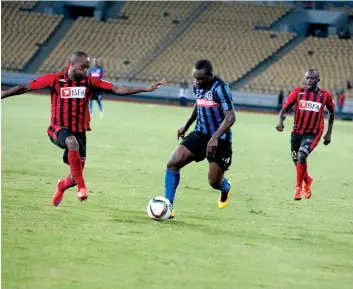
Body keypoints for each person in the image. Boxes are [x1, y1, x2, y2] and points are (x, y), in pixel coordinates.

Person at [1, 51, 166, 206]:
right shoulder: (55, 79)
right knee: (71, 143)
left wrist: (145, 88)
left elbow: (117, 89)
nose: (87, 70)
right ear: (72, 64)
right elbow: (24, 88)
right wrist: (2, 94)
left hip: (80, 132)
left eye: (88, 67)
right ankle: (83, 188)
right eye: (83, 67)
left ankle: (62, 187)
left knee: (74, 176)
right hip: (58, 128)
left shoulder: (89, 82)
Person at [164, 60, 236, 218]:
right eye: (194, 78)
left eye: (200, 79)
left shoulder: (221, 88)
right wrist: (186, 125)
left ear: (211, 76)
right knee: (173, 163)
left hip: (220, 139)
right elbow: (199, 104)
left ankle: (225, 188)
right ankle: (168, 206)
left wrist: (215, 138)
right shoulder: (197, 85)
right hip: (200, 133)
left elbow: (230, 118)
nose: (196, 81)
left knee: (214, 182)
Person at [276, 69, 335, 200]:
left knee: (302, 155)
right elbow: (284, 109)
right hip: (297, 132)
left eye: (312, 78)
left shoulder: (325, 95)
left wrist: (329, 133)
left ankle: (298, 188)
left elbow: (332, 112)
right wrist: (280, 121)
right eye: (307, 78)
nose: (309, 80)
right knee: (297, 162)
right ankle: (307, 180)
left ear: (318, 80)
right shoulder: (297, 92)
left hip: (314, 132)